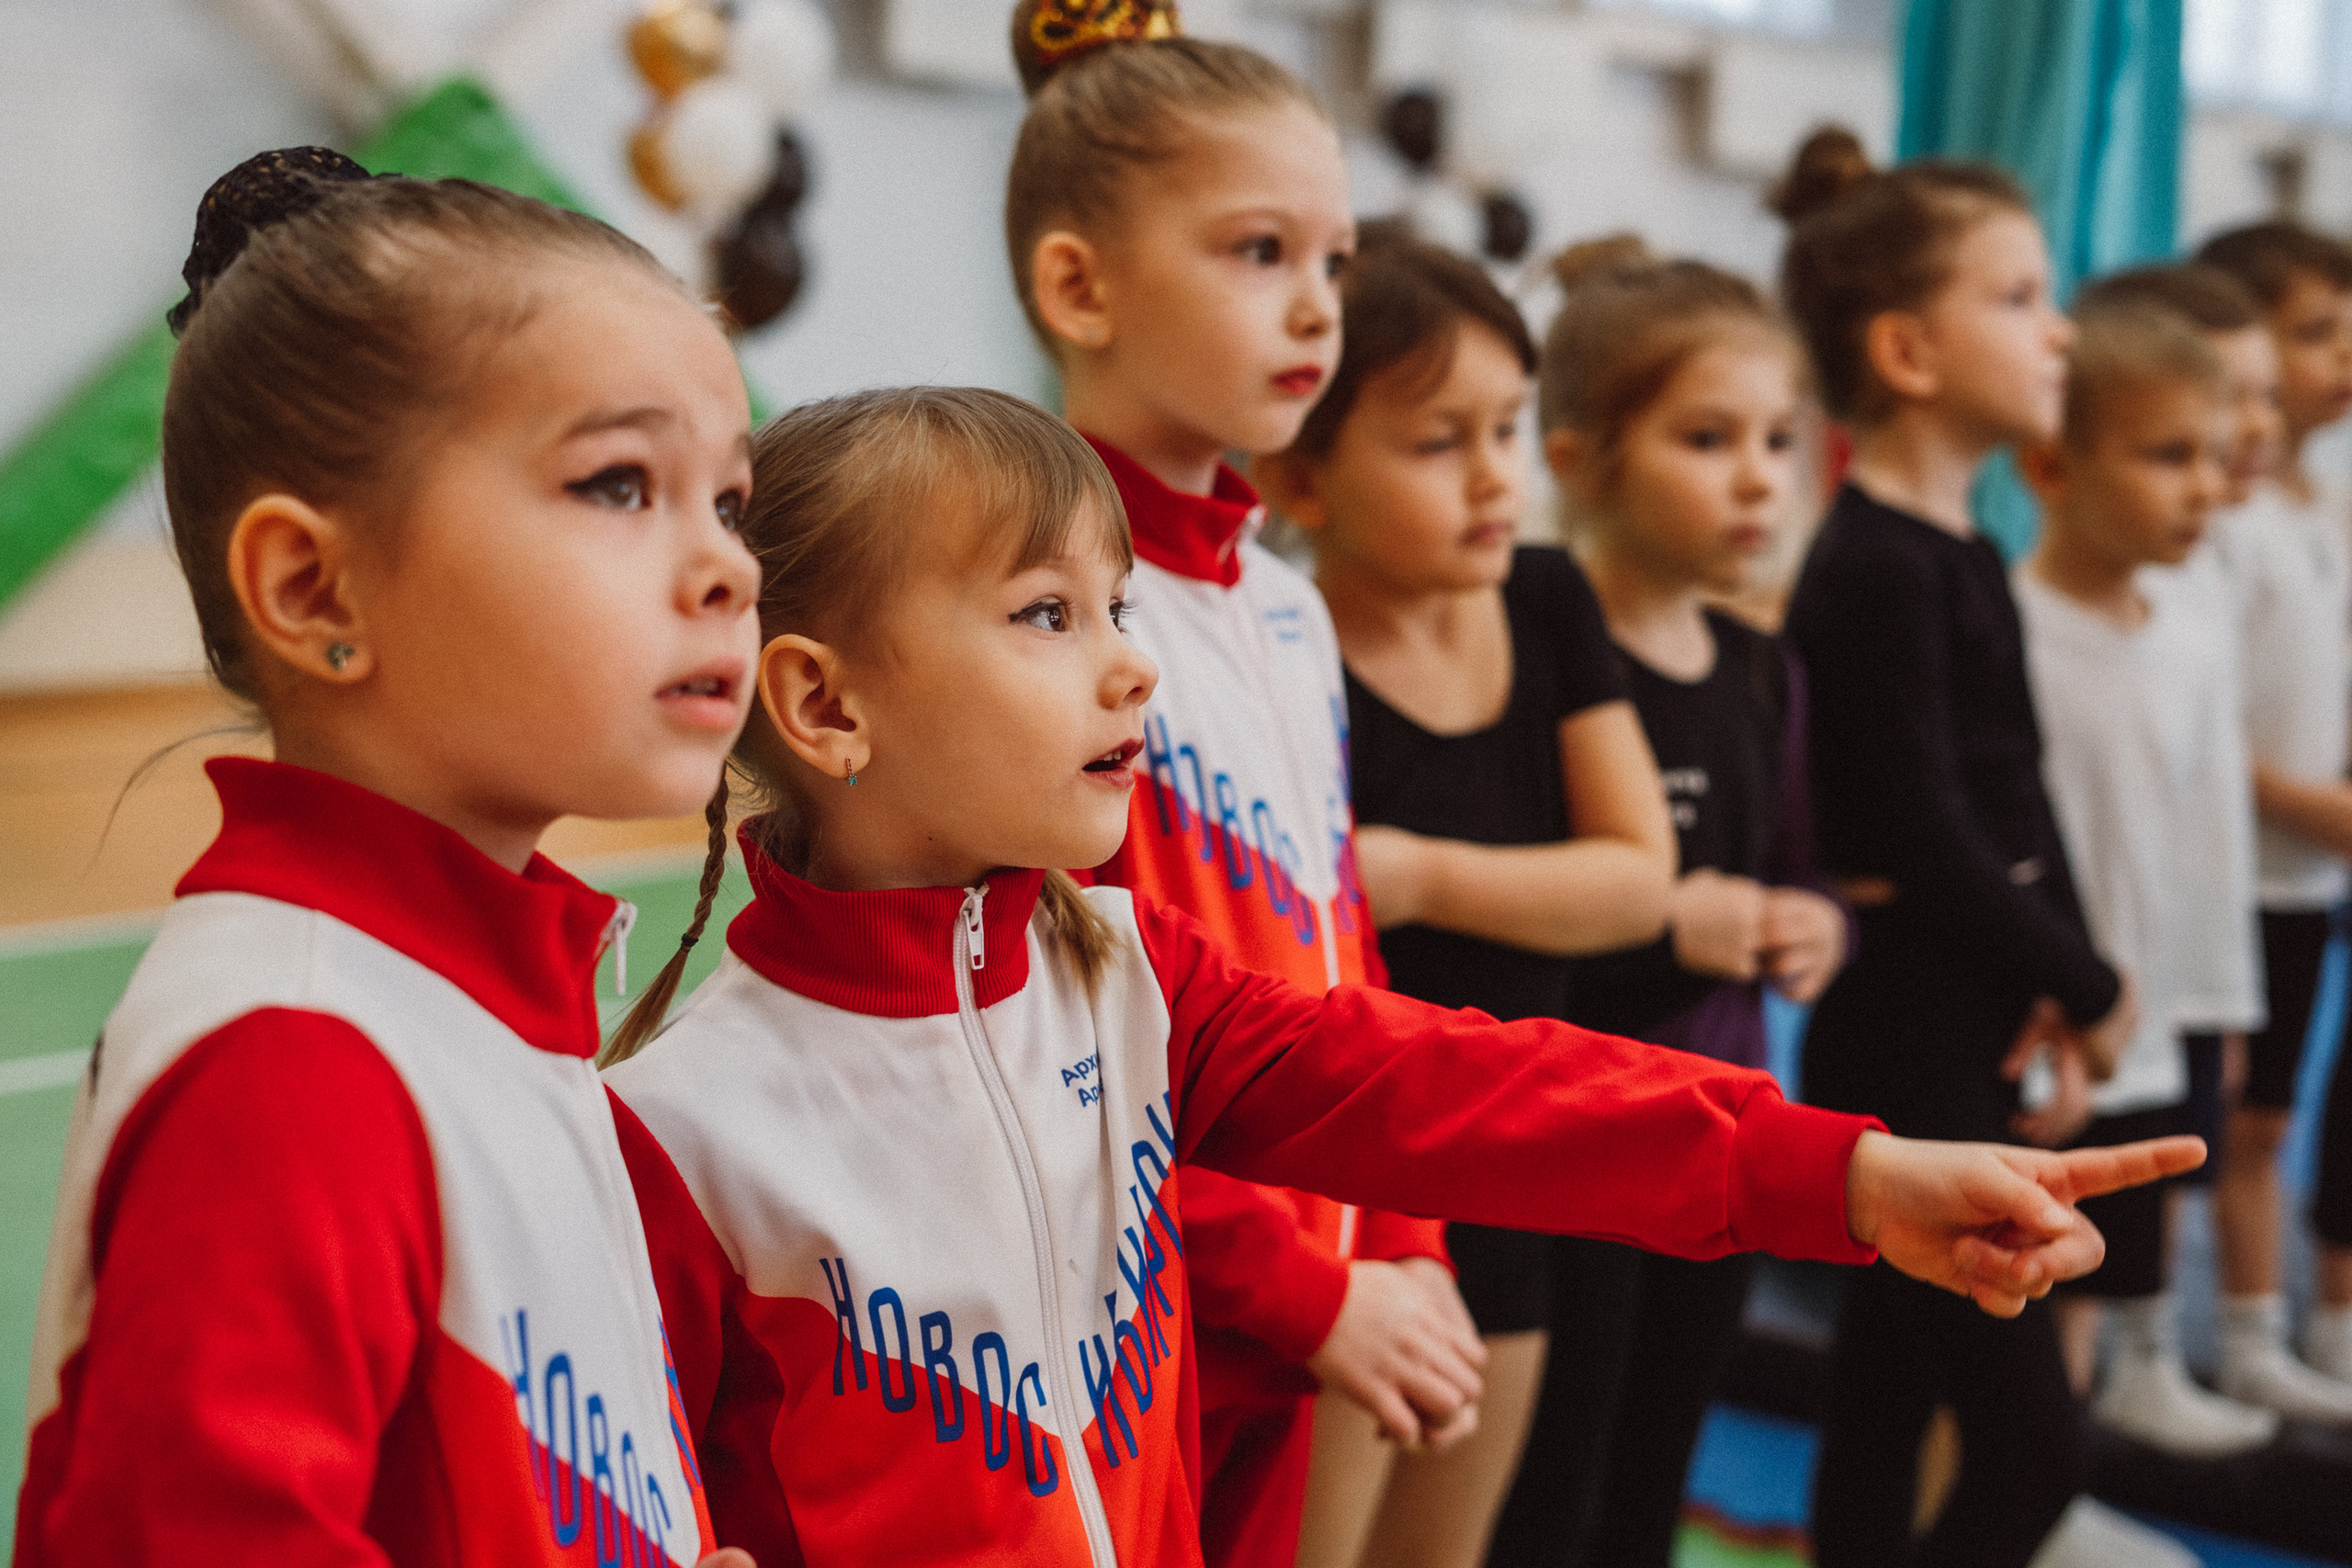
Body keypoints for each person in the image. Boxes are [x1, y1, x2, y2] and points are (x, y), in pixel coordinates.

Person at [600, 383, 2199, 1568]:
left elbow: (1466, 1090)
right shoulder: (682, 1126)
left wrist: (1842, 1171)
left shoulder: (1123, 976)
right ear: (822, 706)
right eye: (1044, 614)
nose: (1131, 660)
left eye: (1119, 605)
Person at [13, 149, 758, 1568]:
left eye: (727, 499)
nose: (727, 565)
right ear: (314, 586)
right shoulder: (298, 1063)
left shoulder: (478, 1001)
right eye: (617, 483)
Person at [1001, 6, 1511, 1562]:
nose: (1316, 311)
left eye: (1336, 262)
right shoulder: (1023, 606)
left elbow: (1340, 941)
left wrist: (1403, 1231)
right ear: (1077, 285)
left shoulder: (1282, 606)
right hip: (1139, 1305)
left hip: (1329, 1286)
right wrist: (1298, 1280)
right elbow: (1044, 1037)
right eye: (1256, 253)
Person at [1246, 227, 1679, 1568]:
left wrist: (1421, 871)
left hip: (1515, 1171)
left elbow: (1635, 882)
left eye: (1508, 428)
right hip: (1350, 1201)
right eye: (1440, 443)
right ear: (1303, 478)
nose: (1497, 477)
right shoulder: (1283, 649)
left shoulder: (1547, 602)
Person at [1772, 127, 2140, 1568]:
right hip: (1909, 1032)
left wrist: (2064, 983)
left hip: (1979, 1010)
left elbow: (2018, 793)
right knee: (2031, 1442)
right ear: (1911, 350)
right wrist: (2088, 980)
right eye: (2022, 296)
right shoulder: (1868, 564)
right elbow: (1925, 826)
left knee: (1890, 1385)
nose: (2061, 329)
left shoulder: (1964, 550)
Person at [2013, 296, 2274, 1459]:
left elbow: (2202, 835)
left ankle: (2057, 1483)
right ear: (2051, 466)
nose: (2207, 489)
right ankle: (2011, 1497)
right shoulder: (2013, 632)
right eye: (2170, 458)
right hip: (2052, 1022)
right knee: (2023, 1290)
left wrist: (2211, 1003)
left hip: (2154, 1011)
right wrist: (2050, 999)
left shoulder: (2190, 626)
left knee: (2105, 1260)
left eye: (2215, 459)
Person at [2193, 221, 2352, 1416]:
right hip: (2232, 869)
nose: (2344, 356)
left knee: (2271, 1112)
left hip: (2302, 875)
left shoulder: (2325, 503)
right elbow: (2205, 722)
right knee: (2221, 1110)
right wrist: (2313, 803)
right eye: (2315, 333)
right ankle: (2193, 1333)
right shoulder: (2226, 520)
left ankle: (2268, 1331)